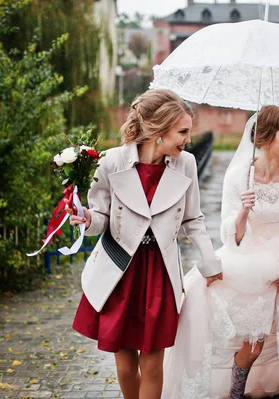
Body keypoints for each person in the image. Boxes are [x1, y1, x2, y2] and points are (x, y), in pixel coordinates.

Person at [162, 105, 279, 399]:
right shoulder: (239, 176)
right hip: (252, 260)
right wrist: (243, 213)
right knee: (252, 343)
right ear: (268, 136)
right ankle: (236, 392)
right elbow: (230, 235)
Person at [68, 89, 223, 399]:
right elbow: (101, 217)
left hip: (159, 273)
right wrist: (85, 218)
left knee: (152, 366)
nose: (187, 139)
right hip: (119, 272)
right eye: (182, 131)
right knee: (126, 366)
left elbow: (193, 219)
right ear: (158, 130)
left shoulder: (186, 164)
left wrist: (210, 263)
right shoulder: (112, 162)